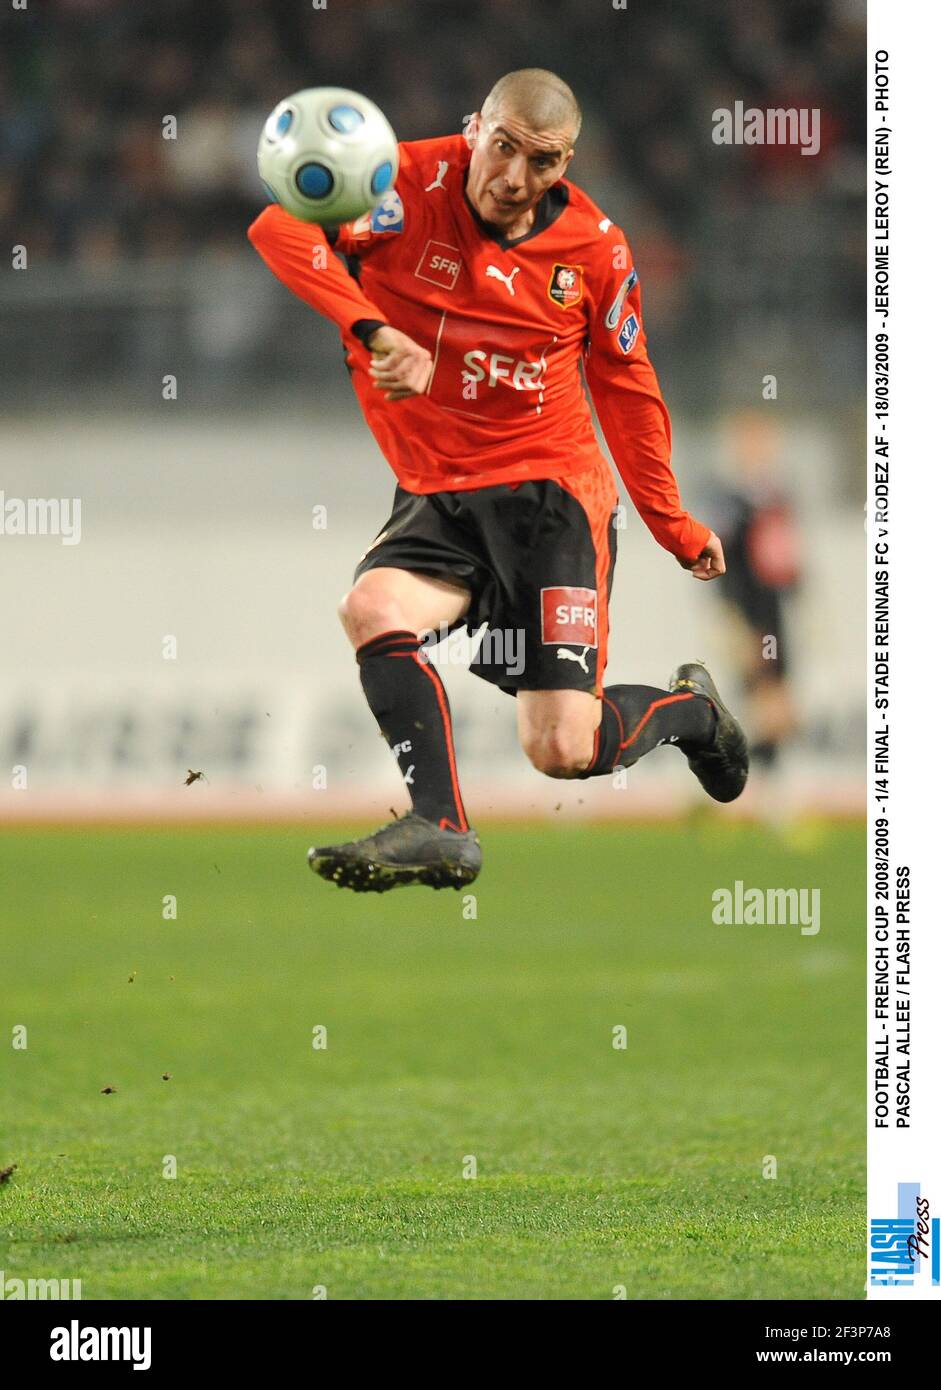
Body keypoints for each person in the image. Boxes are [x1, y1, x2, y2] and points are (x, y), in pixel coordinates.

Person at [248, 68, 748, 893]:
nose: (514, 177)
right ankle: (441, 826)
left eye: (542, 162)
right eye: (503, 147)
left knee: (561, 750)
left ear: (567, 163)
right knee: (371, 608)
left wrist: (672, 524)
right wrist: (370, 329)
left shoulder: (593, 248)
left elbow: (626, 388)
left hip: (550, 500)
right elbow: (278, 229)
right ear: (474, 127)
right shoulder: (399, 183)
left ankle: (691, 713)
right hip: (439, 493)